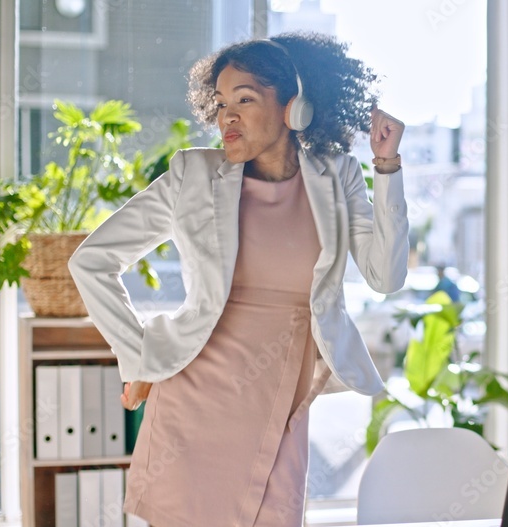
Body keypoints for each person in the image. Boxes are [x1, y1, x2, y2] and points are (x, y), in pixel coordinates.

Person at [67, 32, 408, 527]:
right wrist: (137, 356)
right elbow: (92, 261)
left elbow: (386, 275)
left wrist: (387, 166)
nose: (227, 116)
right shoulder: (192, 175)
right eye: (221, 102)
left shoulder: (339, 176)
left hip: (281, 394)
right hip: (195, 394)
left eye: (245, 100)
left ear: (294, 108)